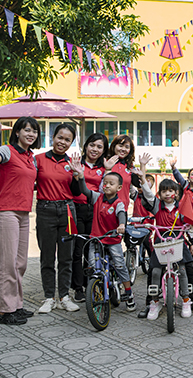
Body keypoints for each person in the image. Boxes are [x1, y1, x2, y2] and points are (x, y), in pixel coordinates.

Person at [0, 114, 40, 325]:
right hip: (6, 213)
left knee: (20, 263)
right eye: (27, 130)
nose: (31, 134)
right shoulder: (7, 150)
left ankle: (17, 305)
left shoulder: (31, 157)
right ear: (17, 132)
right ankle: (5, 311)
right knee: (7, 264)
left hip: (23, 214)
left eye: (34, 131)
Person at [70, 157, 136, 312]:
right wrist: (80, 175)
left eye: (111, 183)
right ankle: (96, 290)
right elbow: (85, 191)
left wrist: (121, 225)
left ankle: (128, 293)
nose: (107, 185)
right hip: (96, 240)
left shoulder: (118, 203)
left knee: (120, 265)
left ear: (119, 188)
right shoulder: (97, 197)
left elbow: (121, 214)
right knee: (93, 267)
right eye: (105, 183)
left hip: (112, 240)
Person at [34, 123, 80, 314]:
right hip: (45, 210)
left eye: (67, 140)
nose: (62, 142)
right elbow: (27, 182)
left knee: (66, 256)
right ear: (53, 137)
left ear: (71, 143)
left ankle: (64, 297)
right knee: (47, 255)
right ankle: (49, 297)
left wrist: (78, 175)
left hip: (68, 211)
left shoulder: (72, 163)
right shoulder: (38, 159)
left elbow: (76, 192)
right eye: (60, 137)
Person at [139, 177, 193, 320]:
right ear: (159, 194)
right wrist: (143, 179)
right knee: (156, 271)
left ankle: (186, 300)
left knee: (182, 270)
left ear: (176, 193)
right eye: (164, 191)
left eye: (170, 191)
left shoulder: (181, 206)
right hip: (161, 242)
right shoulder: (157, 205)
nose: (167, 194)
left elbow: (190, 219)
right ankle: (154, 302)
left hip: (178, 241)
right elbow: (147, 194)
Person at [69, 133, 111, 303]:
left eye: (99, 147)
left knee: (92, 249)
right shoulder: (77, 163)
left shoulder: (104, 167)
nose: (95, 149)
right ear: (86, 146)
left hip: (95, 211)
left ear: (103, 150)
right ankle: (78, 287)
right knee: (77, 249)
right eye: (92, 145)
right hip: (77, 210)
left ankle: (90, 284)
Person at [169, 158, 193, 314]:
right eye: (192, 174)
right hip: (179, 222)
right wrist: (173, 167)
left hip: (191, 219)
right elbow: (178, 177)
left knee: (189, 261)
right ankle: (154, 300)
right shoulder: (184, 187)